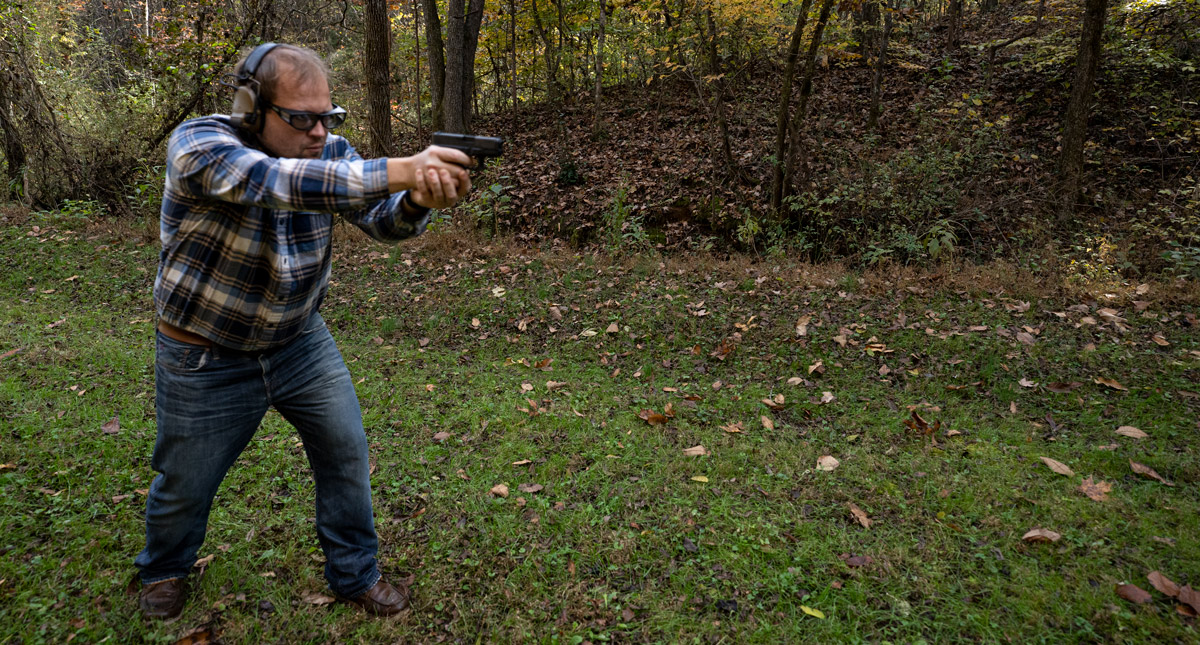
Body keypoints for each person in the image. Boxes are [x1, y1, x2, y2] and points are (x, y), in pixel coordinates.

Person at [135, 43, 471, 620]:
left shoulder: (331, 150)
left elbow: (381, 221)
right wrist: (403, 168)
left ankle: (354, 573)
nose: (320, 132)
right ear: (249, 108)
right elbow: (275, 181)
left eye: (329, 117)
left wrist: (415, 199)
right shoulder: (199, 144)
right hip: (204, 356)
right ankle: (164, 569)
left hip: (298, 342)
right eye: (301, 118)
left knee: (345, 452)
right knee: (185, 481)